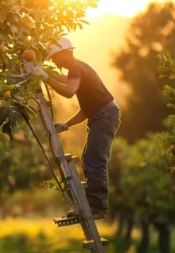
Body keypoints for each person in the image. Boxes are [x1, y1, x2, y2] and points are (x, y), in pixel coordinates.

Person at [31, 37, 121, 217]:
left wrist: (47, 78)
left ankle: (97, 205)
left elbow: (69, 91)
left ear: (63, 53)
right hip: (102, 116)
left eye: (54, 58)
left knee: (95, 159)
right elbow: (87, 108)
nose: (55, 63)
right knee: (89, 158)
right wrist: (67, 124)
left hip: (105, 116)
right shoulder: (78, 70)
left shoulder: (76, 68)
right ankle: (92, 203)